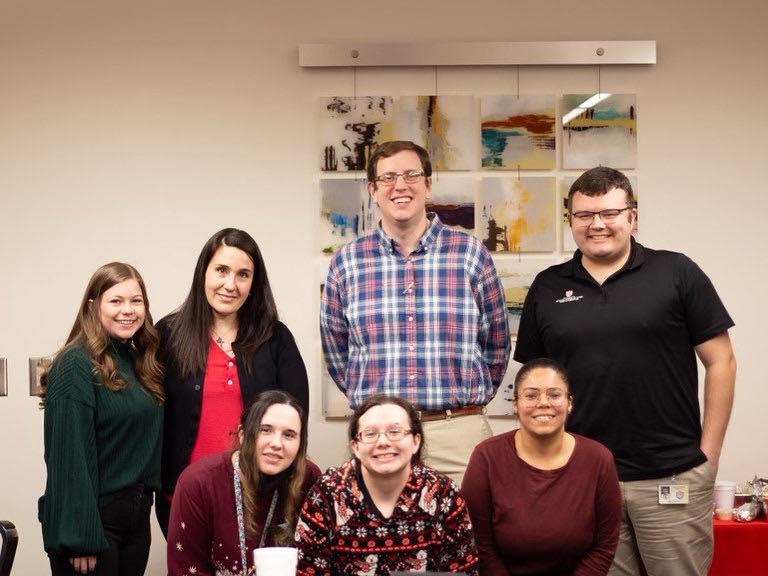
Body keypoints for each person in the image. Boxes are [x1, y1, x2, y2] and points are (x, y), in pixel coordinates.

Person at [514, 166, 737, 576]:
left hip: (672, 474)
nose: (597, 224)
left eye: (609, 212)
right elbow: (536, 382)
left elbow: (721, 360)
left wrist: (710, 455)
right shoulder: (547, 287)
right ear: (570, 221)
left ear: (632, 216)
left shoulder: (676, 272)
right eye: (584, 215)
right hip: (584, 476)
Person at [320, 140, 510, 483]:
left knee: (469, 535)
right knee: (376, 537)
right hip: (378, 436)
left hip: (458, 436)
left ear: (428, 184)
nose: (400, 186)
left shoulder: (470, 255)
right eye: (388, 177)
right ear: (373, 189)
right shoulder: (347, 262)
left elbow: (496, 345)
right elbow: (336, 354)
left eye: (411, 175)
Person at [157, 227, 309, 534]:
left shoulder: (276, 338)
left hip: (260, 497)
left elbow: (296, 417)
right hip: (184, 497)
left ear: (254, 283)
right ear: (204, 273)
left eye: (243, 274)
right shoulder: (168, 335)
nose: (230, 284)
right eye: (221, 270)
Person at [39, 262, 164, 576]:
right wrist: (81, 537)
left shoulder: (137, 361)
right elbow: (68, 458)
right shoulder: (74, 365)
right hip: (94, 524)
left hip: (136, 518)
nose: (128, 310)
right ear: (93, 306)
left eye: (136, 301)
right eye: (116, 301)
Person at [462, 358, 621, 576]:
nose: (543, 403)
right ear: (515, 404)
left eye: (555, 395)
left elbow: (604, 546)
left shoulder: (599, 459)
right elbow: (480, 543)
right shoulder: (487, 457)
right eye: (531, 395)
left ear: (570, 402)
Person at [295, 394, 480, 576]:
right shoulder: (328, 493)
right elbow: (307, 569)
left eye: (395, 432)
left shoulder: (442, 493)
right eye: (370, 434)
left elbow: (464, 570)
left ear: (416, 441)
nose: (383, 442)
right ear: (355, 446)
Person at [167, 390, 321, 576]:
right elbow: (185, 568)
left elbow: (317, 560)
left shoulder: (309, 478)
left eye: (289, 435)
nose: (276, 443)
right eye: (265, 430)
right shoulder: (199, 483)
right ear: (242, 434)